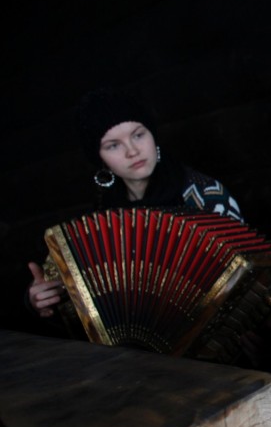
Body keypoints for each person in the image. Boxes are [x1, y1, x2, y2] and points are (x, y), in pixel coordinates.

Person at [25, 86, 245, 321]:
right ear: (100, 159)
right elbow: (83, 298)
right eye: (113, 145)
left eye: (138, 134)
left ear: (152, 135)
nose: (132, 151)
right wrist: (41, 299)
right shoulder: (102, 217)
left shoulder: (207, 196)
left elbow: (245, 279)